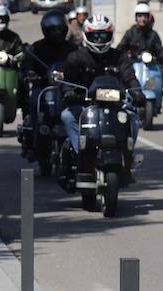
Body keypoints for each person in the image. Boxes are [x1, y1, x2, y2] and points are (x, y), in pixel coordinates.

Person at [57, 15, 145, 173]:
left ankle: (127, 154)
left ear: (110, 35)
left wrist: (137, 92)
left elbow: (129, 77)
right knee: (67, 116)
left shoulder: (119, 56)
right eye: (95, 35)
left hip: (115, 105)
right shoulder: (76, 57)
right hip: (85, 104)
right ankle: (80, 153)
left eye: (103, 35)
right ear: (87, 35)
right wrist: (68, 92)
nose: (98, 39)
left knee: (133, 118)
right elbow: (67, 80)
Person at [19, 9, 77, 143]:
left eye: (59, 30)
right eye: (52, 30)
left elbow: (80, 63)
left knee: (80, 108)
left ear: (64, 29)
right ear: (45, 30)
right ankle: (33, 136)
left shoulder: (72, 48)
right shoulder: (38, 47)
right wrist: (30, 73)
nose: (56, 33)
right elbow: (27, 63)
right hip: (43, 86)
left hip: (67, 88)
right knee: (34, 103)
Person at [118, 2, 163, 80]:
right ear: (136, 18)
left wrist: (157, 59)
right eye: (140, 16)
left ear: (148, 17)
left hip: (150, 68)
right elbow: (120, 48)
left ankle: (157, 91)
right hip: (133, 66)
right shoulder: (130, 33)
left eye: (145, 16)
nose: (142, 19)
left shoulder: (153, 35)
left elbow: (160, 52)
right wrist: (126, 56)